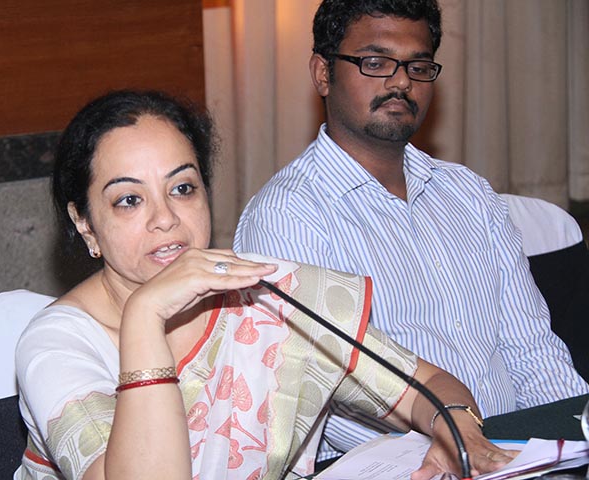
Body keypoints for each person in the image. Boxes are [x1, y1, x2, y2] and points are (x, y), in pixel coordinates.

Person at [14, 89, 515, 480]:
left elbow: (426, 386)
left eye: (182, 188)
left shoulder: (264, 295)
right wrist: (146, 314)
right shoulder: (57, 344)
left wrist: (457, 429)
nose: (165, 218)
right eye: (129, 200)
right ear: (84, 223)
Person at [233, 0, 589, 464]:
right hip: (401, 465)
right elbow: (322, 396)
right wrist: (449, 451)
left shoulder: (468, 193)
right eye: (375, 62)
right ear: (323, 73)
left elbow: (532, 349)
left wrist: (573, 440)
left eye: (418, 66)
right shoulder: (288, 215)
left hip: (518, 454)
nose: (401, 82)